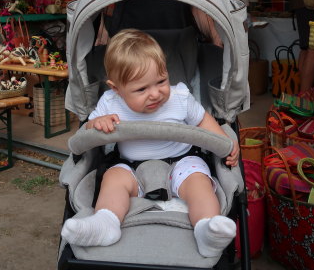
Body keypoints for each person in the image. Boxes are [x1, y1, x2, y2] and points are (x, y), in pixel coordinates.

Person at [61, 29, 240, 257]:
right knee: (113, 179)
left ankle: (207, 229)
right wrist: (97, 122)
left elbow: (204, 120)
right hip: (131, 167)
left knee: (199, 184)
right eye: (142, 89)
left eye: (161, 81)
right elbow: (88, 128)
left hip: (182, 162)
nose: (155, 94)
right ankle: (106, 223)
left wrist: (224, 143)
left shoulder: (180, 98)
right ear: (116, 88)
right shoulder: (111, 102)